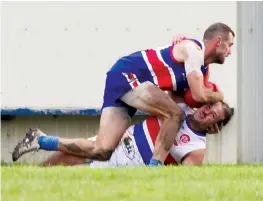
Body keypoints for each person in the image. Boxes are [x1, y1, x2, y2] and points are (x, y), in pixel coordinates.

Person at [12, 22, 235, 166]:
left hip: (124, 80)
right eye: (229, 45)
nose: (230, 51)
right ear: (218, 42)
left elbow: (192, 99)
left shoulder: (202, 68)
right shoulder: (194, 51)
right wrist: (220, 94)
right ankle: (154, 170)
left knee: (102, 149)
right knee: (174, 115)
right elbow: (201, 94)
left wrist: (213, 120)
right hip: (129, 74)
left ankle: (40, 140)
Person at [14, 101, 234, 167]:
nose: (206, 112)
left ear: (216, 126)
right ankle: (38, 170)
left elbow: (183, 181)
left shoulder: (196, 149)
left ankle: (40, 140)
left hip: (126, 162)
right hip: (118, 139)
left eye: (213, 115)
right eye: (209, 107)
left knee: (74, 169)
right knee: (65, 155)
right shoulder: (182, 107)